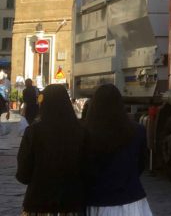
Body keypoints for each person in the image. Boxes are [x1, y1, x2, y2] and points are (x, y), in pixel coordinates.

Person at [16, 84, 87, 215]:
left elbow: (23, 175)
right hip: (72, 204)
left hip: (39, 204)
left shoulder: (33, 132)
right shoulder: (81, 132)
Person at [84, 83, 153, 216]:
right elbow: (140, 164)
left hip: (98, 202)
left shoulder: (86, 135)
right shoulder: (137, 131)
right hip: (132, 200)